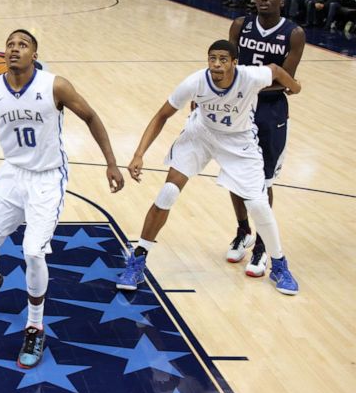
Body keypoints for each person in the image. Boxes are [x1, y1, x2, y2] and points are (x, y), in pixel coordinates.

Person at [0, 29, 123, 369]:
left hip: (46, 178)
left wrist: (111, 163)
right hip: (11, 173)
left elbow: (91, 117)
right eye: (10, 45)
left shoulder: (55, 86)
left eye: (22, 45)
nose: (14, 49)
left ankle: (35, 325)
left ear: (34, 53)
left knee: (32, 252)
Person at [117, 40, 302, 296]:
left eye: (223, 59)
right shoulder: (195, 81)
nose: (216, 64)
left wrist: (294, 87)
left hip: (239, 140)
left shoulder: (250, 76)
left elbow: (276, 70)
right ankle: (138, 259)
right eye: (212, 58)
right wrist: (139, 153)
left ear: (235, 62)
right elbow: (162, 115)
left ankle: (280, 265)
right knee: (168, 192)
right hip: (201, 135)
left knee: (258, 205)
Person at [225, 0, 305, 274]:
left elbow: (285, 81)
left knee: (263, 180)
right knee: (234, 173)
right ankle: (243, 229)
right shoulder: (239, 25)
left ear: (282, 0)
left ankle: (261, 245)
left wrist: (245, 86)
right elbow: (225, 67)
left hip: (270, 111)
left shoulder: (293, 33)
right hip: (237, 107)